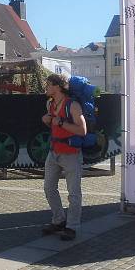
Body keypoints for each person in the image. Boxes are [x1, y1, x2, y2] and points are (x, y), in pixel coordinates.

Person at [41, 74, 87, 241]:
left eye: (48, 84)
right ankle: (59, 220)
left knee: (74, 193)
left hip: (71, 154)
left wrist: (61, 123)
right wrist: (46, 120)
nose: (45, 87)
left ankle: (72, 226)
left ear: (58, 87)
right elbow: (53, 124)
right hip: (54, 152)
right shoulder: (50, 104)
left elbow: (82, 131)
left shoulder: (72, 106)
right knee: (48, 188)